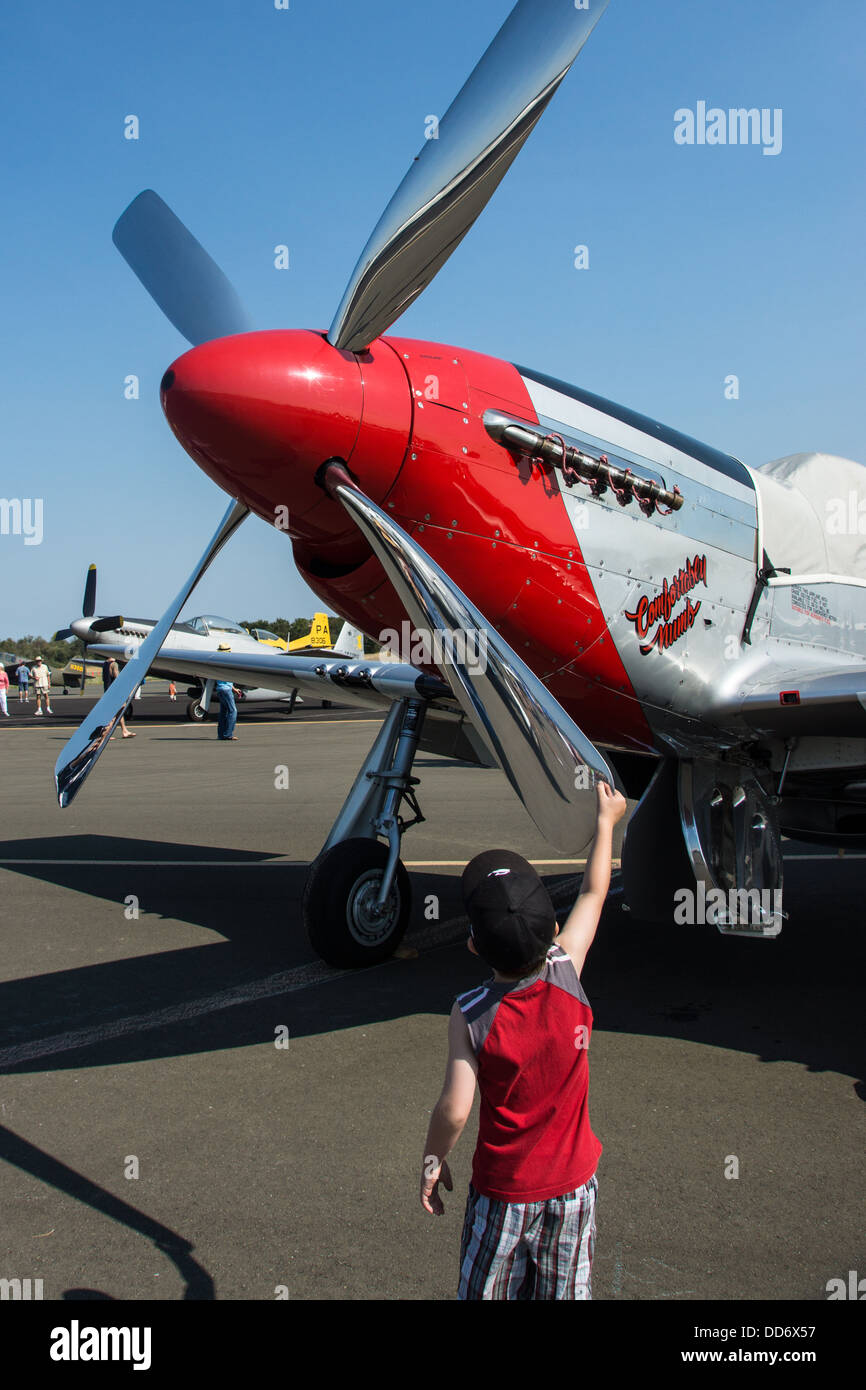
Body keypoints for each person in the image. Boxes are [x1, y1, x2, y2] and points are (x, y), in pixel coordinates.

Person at [419, 780, 628, 1301]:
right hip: (574, 1189)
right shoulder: (567, 971)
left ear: (472, 944)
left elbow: (455, 1109)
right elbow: (594, 892)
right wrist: (607, 823)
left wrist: (432, 1158)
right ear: (553, 925)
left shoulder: (470, 1014)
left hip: (502, 1195)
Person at [103, 657, 135, 738]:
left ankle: (124, 731)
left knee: (120, 710)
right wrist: (127, 690)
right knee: (117, 711)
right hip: (114, 692)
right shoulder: (114, 664)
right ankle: (106, 734)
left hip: (108, 691)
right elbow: (118, 679)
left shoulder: (105, 664)